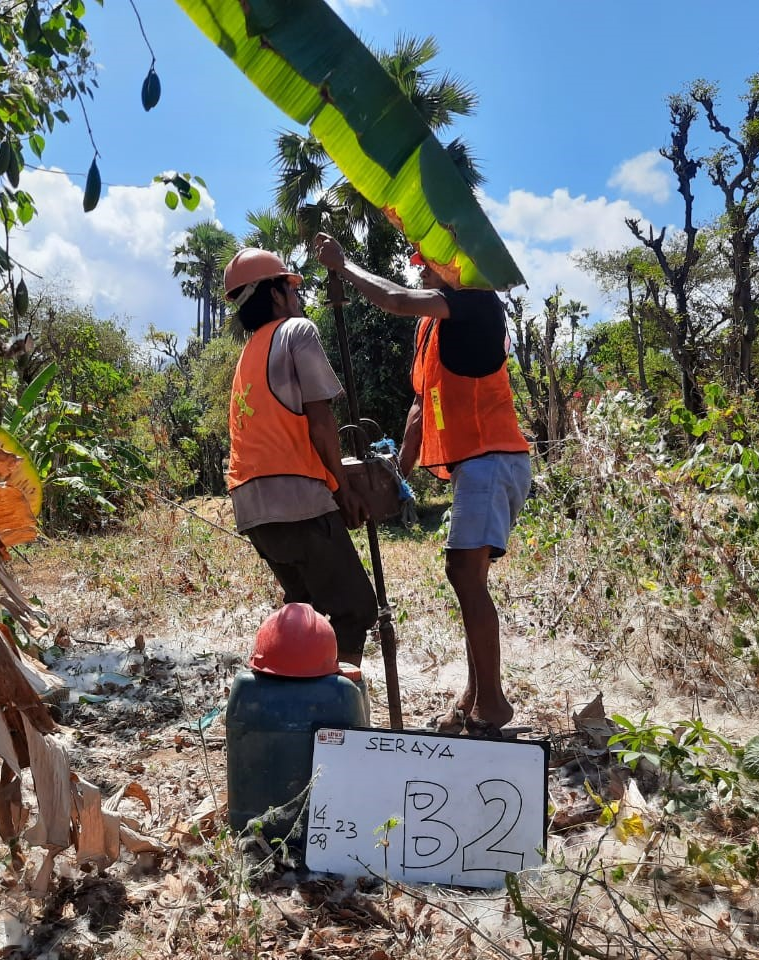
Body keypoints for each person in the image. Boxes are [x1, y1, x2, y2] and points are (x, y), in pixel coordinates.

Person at [312, 232, 532, 737]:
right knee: (467, 578)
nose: (420, 270)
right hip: (477, 465)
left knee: (464, 575)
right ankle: (474, 698)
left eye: (428, 263)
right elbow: (419, 406)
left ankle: (492, 704)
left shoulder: (476, 302)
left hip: (493, 459)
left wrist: (344, 266)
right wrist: (397, 476)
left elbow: (394, 299)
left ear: (455, 266)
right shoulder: (431, 328)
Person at [223, 248, 378, 666]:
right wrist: (343, 490)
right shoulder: (297, 332)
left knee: (303, 607)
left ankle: (293, 691)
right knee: (355, 610)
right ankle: (336, 701)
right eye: (290, 288)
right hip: (297, 499)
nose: (296, 297)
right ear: (274, 294)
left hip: (251, 507)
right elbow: (321, 422)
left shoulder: (248, 355)